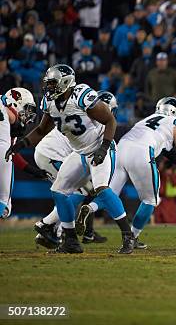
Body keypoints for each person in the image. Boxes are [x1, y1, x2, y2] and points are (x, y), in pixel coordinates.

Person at [5, 65, 134, 254]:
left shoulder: (81, 96)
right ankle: (70, 240)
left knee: (101, 189)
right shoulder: (50, 103)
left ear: (65, 82)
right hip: (79, 152)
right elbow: (41, 131)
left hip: (100, 147)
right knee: (58, 191)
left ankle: (127, 235)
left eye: (52, 83)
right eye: (47, 83)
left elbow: (110, 121)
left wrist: (104, 148)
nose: (48, 87)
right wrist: (21, 145)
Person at [79, 97, 176, 249]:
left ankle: (90, 208)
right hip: (142, 151)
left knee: (110, 194)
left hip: (121, 148)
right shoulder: (175, 122)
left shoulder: (148, 120)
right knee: (151, 200)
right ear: (175, 112)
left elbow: (174, 157)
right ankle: (133, 237)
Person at [32, 91, 118, 248]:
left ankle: (72, 231)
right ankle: (49, 226)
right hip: (52, 155)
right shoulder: (89, 120)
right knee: (74, 191)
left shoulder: (83, 115)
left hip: (53, 153)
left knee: (82, 190)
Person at [0, 88, 37, 219]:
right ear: (15, 102)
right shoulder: (3, 107)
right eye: (27, 109)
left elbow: (10, 153)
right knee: (4, 205)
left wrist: (31, 170)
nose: (28, 114)